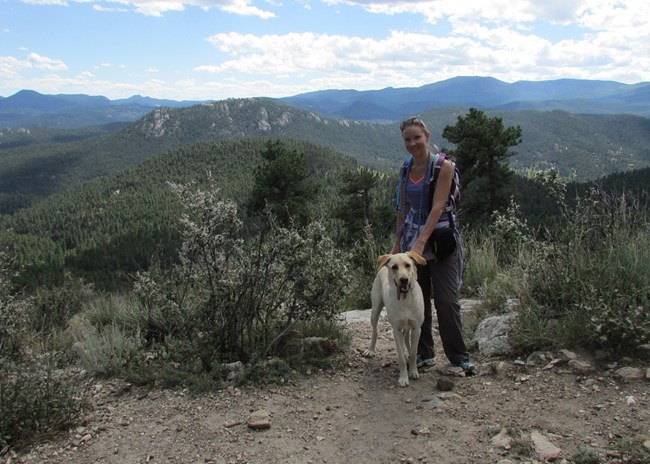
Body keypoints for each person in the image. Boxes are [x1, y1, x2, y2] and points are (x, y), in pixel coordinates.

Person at [391, 115, 475, 375]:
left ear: (427, 136)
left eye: (417, 137)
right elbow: (403, 206)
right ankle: (424, 353)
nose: (413, 143)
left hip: (439, 240)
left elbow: (438, 207)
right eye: (408, 139)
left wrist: (420, 244)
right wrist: (397, 243)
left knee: (446, 299)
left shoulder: (443, 167)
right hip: (411, 241)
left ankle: (458, 356)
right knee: (418, 298)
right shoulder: (406, 168)